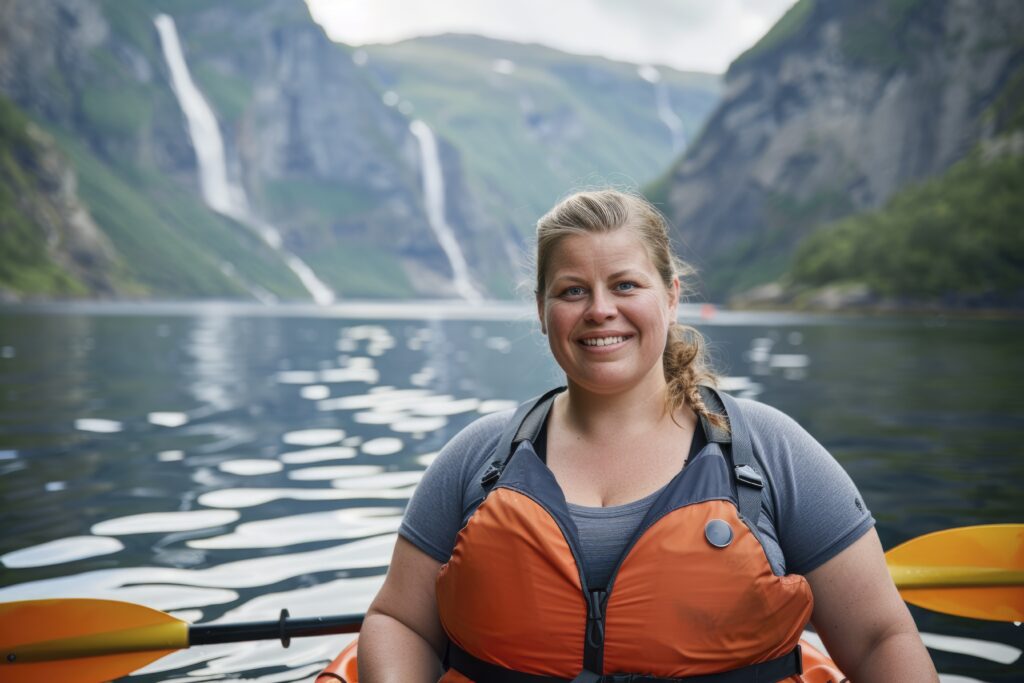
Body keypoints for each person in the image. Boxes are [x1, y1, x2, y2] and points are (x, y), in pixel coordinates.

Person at [358, 189, 937, 682]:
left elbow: (878, 638)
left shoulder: (773, 453)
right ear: (541, 311)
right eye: (572, 290)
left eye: (626, 285)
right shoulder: (477, 459)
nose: (599, 310)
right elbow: (400, 621)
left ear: (671, 295)